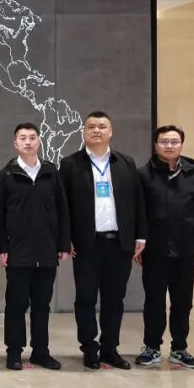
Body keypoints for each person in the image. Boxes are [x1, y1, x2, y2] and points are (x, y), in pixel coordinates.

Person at [59, 111, 146, 370]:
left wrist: (140, 235)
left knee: (114, 299)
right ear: (84, 132)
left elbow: (138, 202)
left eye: (102, 126)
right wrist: (66, 239)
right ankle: (89, 349)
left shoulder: (126, 162)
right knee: (85, 299)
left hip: (119, 244)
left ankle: (110, 349)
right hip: (86, 245)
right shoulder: (70, 164)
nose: (96, 130)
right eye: (91, 126)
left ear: (111, 131)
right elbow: (62, 206)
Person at [0, 122, 70, 371]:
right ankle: (14, 352)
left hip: (47, 250)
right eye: (22, 138)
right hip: (17, 252)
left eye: (32, 137)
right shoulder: (6, 175)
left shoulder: (51, 172)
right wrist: (1, 247)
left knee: (42, 305)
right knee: (16, 305)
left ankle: (41, 352)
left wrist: (63, 243)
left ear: (39, 141)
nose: (28, 142)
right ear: (15, 143)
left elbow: (63, 211)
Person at [135, 125, 194, 369]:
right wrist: (139, 242)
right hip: (154, 249)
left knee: (183, 302)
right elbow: (139, 212)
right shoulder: (144, 174)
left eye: (174, 142)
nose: (169, 146)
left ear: (181, 145)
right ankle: (152, 347)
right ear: (156, 145)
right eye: (164, 142)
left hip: (185, 248)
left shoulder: (193, 174)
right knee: (154, 301)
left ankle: (180, 348)